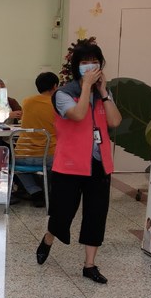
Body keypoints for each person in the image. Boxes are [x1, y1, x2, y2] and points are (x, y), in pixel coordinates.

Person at [35, 42, 123, 283]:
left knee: (96, 214)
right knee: (62, 213)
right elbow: (78, 114)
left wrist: (103, 93)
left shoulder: (103, 93)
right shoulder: (63, 94)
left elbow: (115, 121)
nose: (90, 66)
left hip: (98, 164)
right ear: (76, 67)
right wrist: (85, 87)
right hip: (70, 164)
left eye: (94, 61)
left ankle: (89, 265)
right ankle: (49, 238)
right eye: (85, 62)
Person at [12, 72, 60, 206]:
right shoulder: (56, 103)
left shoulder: (27, 101)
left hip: (23, 154)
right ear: (55, 86)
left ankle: (35, 191)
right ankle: (52, 192)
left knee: (16, 165)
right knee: (60, 162)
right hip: (48, 155)